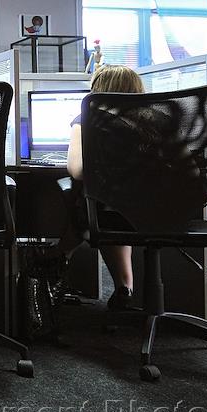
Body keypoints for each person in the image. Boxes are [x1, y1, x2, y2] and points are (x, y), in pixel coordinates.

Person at [66, 64, 145, 309]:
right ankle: (124, 289)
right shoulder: (161, 119)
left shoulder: (87, 121)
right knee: (118, 207)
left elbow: (78, 170)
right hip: (165, 215)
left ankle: (53, 263)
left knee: (78, 198)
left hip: (111, 217)